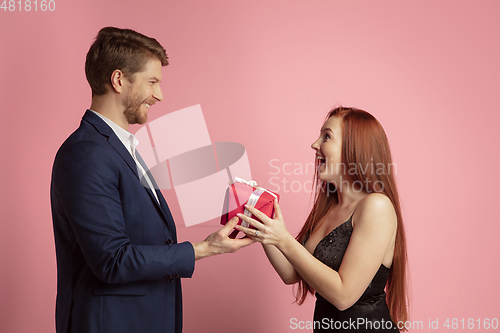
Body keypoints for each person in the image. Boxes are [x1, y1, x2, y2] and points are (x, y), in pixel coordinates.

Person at [50, 27, 253, 333]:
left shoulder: (118, 148)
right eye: (152, 82)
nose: (159, 95)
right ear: (119, 80)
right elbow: (112, 260)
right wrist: (205, 247)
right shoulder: (86, 153)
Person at [236, 107, 409, 332]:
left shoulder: (376, 206)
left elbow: (344, 295)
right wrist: (263, 224)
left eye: (327, 136)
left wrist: (284, 239)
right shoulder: (329, 208)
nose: (315, 145)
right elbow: (291, 273)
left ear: (354, 148)